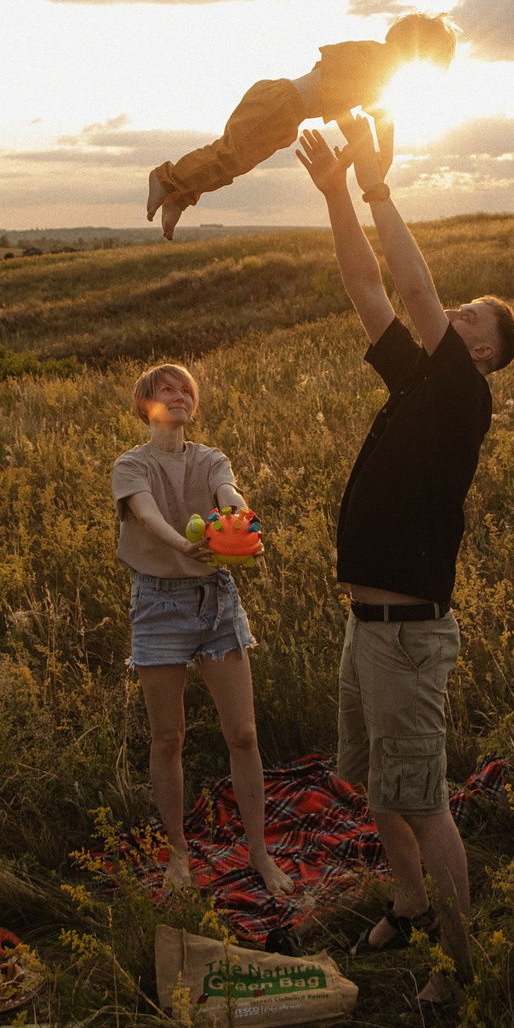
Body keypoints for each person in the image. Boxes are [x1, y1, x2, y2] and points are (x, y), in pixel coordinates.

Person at [295, 112, 514, 1003]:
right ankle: (413, 904)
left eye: (471, 317)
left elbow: (417, 289)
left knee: (421, 798)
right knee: (375, 787)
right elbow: (366, 283)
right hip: (367, 625)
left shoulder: (464, 397)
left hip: (409, 634)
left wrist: (380, 186)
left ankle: (464, 968)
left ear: (481, 354)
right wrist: (334, 196)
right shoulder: (418, 381)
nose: (453, 310)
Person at [113, 361, 295, 898]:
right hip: (158, 604)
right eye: (166, 390)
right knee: (169, 739)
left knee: (244, 734)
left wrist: (242, 522)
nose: (179, 396)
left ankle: (259, 853)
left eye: (186, 390)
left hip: (216, 601)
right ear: (146, 404)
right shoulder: (131, 464)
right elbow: (144, 514)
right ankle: (178, 853)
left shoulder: (211, 458)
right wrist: (183, 544)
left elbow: (229, 492)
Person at [146, 12, 458, 240]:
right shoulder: (380, 62)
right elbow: (376, 115)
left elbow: (348, 106)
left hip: (282, 110)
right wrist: (381, 155)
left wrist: (362, 149)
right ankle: (167, 178)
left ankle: (179, 196)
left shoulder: (374, 65)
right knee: (230, 156)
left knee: (233, 162)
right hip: (279, 104)